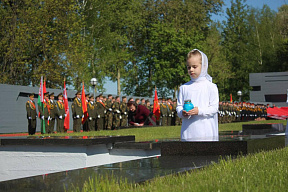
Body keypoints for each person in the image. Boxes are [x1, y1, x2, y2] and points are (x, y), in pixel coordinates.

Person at [176, 49, 219, 141]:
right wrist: (182, 113)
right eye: (188, 67)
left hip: (206, 132)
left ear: (203, 66)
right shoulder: (184, 88)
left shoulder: (211, 86)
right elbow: (179, 107)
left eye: (194, 67)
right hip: (188, 132)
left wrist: (199, 111)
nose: (191, 70)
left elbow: (214, 108)